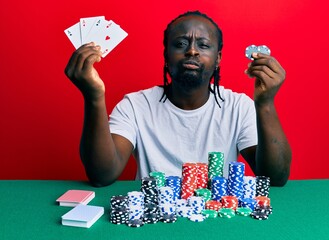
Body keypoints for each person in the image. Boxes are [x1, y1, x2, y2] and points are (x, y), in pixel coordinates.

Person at [64, 11, 292, 187]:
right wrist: (94, 98)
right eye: (181, 44)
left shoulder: (238, 107)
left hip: (216, 219)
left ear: (218, 59)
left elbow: (275, 177)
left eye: (203, 45)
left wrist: (265, 104)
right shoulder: (135, 105)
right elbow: (102, 175)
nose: (192, 51)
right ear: (166, 54)